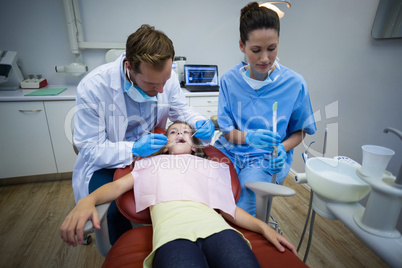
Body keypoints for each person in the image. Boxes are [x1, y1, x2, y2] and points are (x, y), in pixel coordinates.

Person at [60, 121, 297, 268]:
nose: (180, 133)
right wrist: (87, 199)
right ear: (164, 145)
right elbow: (116, 188)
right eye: (173, 132)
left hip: (220, 232)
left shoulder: (212, 166)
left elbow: (230, 210)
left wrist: (264, 228)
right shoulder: (149, 165)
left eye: (186, 132)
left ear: (195, 145)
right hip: (172, 237)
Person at [72, 24, 215, 245]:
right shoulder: (93, 88)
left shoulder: (165, 77)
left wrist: (198, 121)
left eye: (164, 82)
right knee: (114, 211)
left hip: (153, 155)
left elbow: (181, 109)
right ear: (129, 67)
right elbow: (90, 149)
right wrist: (134, 148)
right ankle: (122, 249)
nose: (160, 90)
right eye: (150, 84)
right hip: (109, 159)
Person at [214, 2, 317, 216]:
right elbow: (226, 130)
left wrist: (283, 148)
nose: (264, 59)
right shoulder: (229, 81)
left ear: (278, 42)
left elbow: (299, 131)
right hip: (229, 151)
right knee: (208, 196)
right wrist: (249, 137)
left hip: (265, 158)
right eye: (256, 50)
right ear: (242, 46)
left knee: (242, 207)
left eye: (272, 49)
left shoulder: (294, 84)